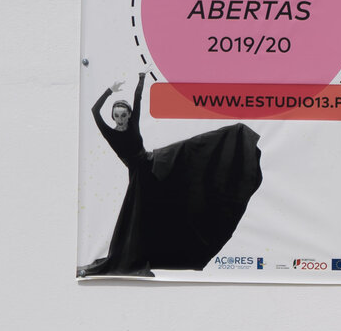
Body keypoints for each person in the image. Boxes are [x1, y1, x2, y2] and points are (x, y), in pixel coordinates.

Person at [81, 71, 265, 277]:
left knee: (192, 150)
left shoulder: (132, 123)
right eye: (116, 116)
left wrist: (141, 78)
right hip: (139, 178)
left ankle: (237, 137)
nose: (120, 119)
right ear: (112, 117)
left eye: (124, 115)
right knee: (139, 219)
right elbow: (95, 111)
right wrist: (109, 91)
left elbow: (137, 98)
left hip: (154, 163)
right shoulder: (110, 133)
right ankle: (136, 259)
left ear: (129, 115)